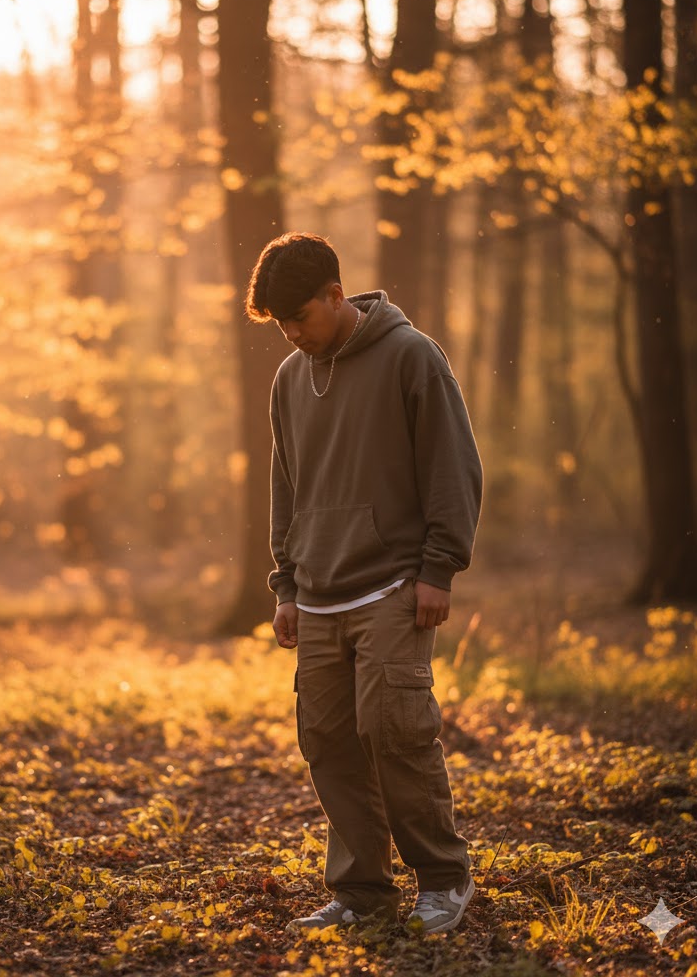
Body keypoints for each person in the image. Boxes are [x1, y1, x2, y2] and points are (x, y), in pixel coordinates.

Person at [247, 232, 482, 936]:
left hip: (394, 586)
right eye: (281, 324)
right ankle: (362, 892)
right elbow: (285, 486)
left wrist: (439, 568)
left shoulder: (413, 357)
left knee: (393, 730)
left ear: (334, 294)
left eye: (301, 317)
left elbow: (453, 467)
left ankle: (443, 879)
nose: (293, 333)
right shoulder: (290, 377)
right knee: (328, 741)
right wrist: (286, 584)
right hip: (316, 593)